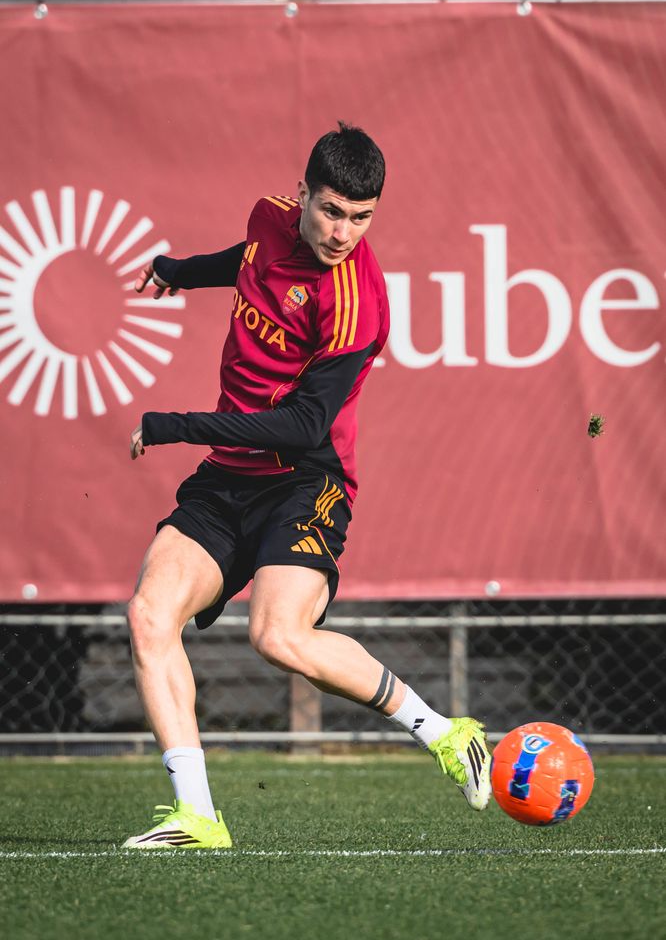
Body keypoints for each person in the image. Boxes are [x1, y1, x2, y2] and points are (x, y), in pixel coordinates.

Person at [123, 123, 490, 850]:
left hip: (305, 477)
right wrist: (176, 270)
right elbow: (249, 262)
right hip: (230, 477)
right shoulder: (269, 217)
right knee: (147, 616)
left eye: (361, 217)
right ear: (302, 196)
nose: (343, 232)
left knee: (278, 635)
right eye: (331, 211)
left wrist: (175, 425)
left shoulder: (358, 302)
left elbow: (302, 426)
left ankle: (447, 734)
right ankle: (198, 818)